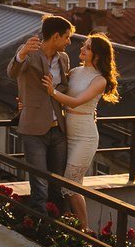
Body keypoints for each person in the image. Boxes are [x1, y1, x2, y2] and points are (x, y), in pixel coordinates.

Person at [41, 33, 119, 226]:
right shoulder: (75, 72)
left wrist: (53, 91)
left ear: (98, 55)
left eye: (88, 47)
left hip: (85, 138)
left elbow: (75, 103)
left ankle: (85, 231)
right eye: (84, 45)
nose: (82, 49)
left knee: (71, 186)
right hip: (67, 134)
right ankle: (75, 228)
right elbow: (53, 87)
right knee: (70, 186)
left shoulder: (99, 80)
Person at [7, 15, 74, 213]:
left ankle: (58, 227)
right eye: (67, 37)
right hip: (34, 130)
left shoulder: (64, 58)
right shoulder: (29, 52)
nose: (69, 42)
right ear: (55, 36)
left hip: (58, 130)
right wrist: (21, 54)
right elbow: (12, 72)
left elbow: (64, 87)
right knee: (40, 186)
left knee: (57, 184)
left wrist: (54, 88)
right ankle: (39, 228)